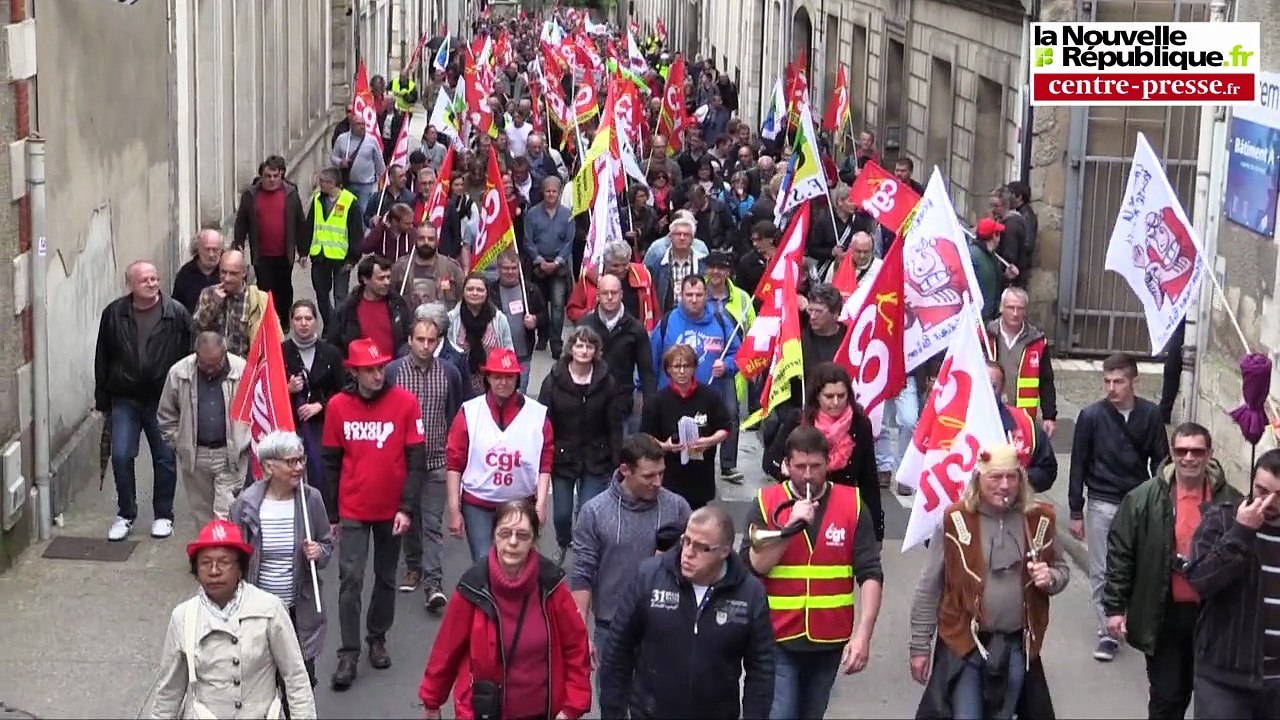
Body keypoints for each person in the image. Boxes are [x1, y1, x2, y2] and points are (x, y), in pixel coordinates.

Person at [909, 443, 1067, 719]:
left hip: (1018, 645)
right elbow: (928, 587)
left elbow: (1061, 569)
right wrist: (920, 646)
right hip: (964, 643)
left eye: (1011, 477)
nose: (1004, 485)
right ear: (978, 480)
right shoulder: (954, 520)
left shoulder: (1040, 519)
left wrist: (1050, 577)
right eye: (995, 477)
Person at [743, 425, 884, 719]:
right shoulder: (766, 502)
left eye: (816, 466)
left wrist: (864, 636)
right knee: (781, 713)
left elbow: (870, 572)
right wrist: (788, 529)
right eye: (800, 467)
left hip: (830, 638)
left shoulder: (853, 504)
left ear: (829, 462)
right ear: (786, 465)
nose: (807, 475)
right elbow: (754, 565)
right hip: (777, 635)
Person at [1103, 422, 1237, 719]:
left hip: (1212, 619)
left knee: (1212, 700)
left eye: (1196, 451)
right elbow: (1121, 554)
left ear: (1209, 454)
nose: (1189, 458)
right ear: (1172, 454)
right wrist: (1115, 607)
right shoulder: (1142, 499)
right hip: (1163, 613)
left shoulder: (1230, 501)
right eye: (1181, 450)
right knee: (1167, 698)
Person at [419, 501, 593, 720]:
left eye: (522, 535)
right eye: (505, 533)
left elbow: (576, 647)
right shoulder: (473, 586)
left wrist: (571, 707)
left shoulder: (551, 585)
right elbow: (446, 650)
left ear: (533, 540)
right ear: (494, 536)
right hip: (484, 713)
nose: (512, 542)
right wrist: (432, 702)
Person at [600, 505, 775, 719]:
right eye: (686, 541)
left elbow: (761, 669)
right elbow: (618, 647)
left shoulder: (750, 593)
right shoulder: (649, 577)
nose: (688, 553)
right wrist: (613, 711)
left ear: (724, 551)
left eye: (702, 548)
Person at [321, 338, 427, 690]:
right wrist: (332, 513)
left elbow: (416, 461)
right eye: (370, 369)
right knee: (350, 579)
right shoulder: (337, 406)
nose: (378, 374)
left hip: (391, 509)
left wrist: (407, 508)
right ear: (354, 372)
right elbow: (331, 462)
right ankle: (348, 651)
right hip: (353, 507)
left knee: (384, 576)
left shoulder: (405, 403)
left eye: (381, 367)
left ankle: (376, 636)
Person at [148, 519, 316, 719]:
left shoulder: (270, 609)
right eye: (205, 563)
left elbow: (295, 677)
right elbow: (169, 691)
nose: (214, 571)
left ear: (240, 569)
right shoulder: (183, 617)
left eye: (224, 562)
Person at [1068, 352, 1170, 662]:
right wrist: (1075, 509)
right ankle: (1108, 631)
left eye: (1119, 381)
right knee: (1101, 568)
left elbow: (1161, 460)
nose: (1112, 388)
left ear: (1133, 381)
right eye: (1107, 381)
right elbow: (1079, 463)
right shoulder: (1091, 416)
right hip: (1102, 499)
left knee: (1138, 566)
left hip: (1137, 502)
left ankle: (1131, 619)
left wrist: (1161, 499)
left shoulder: (1150, 416)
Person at [570, 433, 693, 684]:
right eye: (648, 476)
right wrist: (581, 631)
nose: (657, 482)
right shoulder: (594, 512)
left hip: (665, 626)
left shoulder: (677, 507)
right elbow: (583, 572)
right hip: (611, 627)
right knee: (614, 705)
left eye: (661, 473)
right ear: (625, 470)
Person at [230, 431, 333, 696]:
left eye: (301, 460)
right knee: (259, 683)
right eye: (291, 462)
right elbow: (234, 555)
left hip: (298, 609)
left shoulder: (311, 500)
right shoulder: (246, 505)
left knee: (300, 684)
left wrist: (318, 551)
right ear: (268, 466)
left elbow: (327, 545)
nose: (299, 467)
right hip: (258, 610)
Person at [95, 261, 192, 541]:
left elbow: (188, 355)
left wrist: (184, 396)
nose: (152, 284)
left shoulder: (176, 314)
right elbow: (103, 355)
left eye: (155, 278)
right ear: (130, 285)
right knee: (122, 455)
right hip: (125, 397)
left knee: (164, 458)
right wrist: (102, 399)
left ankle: (163, 514)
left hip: (163, 399)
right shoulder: (114, 314)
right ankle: (126, 513)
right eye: (145, 280)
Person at [1187, 448, 1280, 718]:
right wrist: (1241, 533)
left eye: (1278, 495)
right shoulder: (1222, 520)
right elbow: (1200, 580)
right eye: (1261, 490)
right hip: (1224, 679)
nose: (1268, 501)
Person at [385, 316, 464, 610]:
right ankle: (413, 565)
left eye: (432, 340)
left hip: (436, 460)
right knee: (410, 520)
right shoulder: (393, 372)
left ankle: (433, 582)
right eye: (420, 339)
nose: (426, 345)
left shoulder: (449, 373)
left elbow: (455, 413)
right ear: (409, 341)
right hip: (401, 463)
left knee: (432, 523)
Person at [445, 348, 554, 561]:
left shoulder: (537, 414)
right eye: (497, 376)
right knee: (484, 561)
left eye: (509, 376)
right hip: (478, 503)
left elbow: (545, 462)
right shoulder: (470, 411)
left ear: (517, 377)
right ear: (488, 377)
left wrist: (541, 503)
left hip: (521, 503)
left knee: (517, 560)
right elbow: (454, 463)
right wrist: (454, 509)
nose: (503, 382)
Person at [763, 362, 884, 543]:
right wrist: (785, 468)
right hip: (801, 506)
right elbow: (770, 461)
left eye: (841, 396)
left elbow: (869, 480)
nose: (835, 402)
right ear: (817, 396)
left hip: (843, 509)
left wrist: (876, 531)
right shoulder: (799, 420)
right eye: (829, 396)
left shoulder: (860, 424)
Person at [537, 326, 621, 566]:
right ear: (571, 348)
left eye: (589, 346)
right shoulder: (553, 379)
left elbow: (614, 424)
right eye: (579, 345)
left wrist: (617, 460)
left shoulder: (607, 381)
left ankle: (586, 555)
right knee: (562, 514)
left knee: (587, 511)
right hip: (563, 457)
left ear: (596, 351)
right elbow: (543, 421)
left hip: (597, 456)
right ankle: (564, 542)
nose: (584, 350)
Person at [157, 332, 251, 529]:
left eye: (215, 364)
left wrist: (244, 442)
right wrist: (179, 442)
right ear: (196, 355)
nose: (210, 369)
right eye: (205, 364)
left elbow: (255, 410)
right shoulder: (179, 373)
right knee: (203, 515)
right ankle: (208, 557)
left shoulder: (243, 371)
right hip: (195, 455)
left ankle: (226, 554)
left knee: (225, 514)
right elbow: (166, 414)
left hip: (230, 454)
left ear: (225, 353)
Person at [641, 344, 731, 511]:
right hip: (669, 476)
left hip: (700, 475)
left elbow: (725, 428)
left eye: (686, 366)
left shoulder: (710, 396)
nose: (681, 371)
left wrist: (709, 441)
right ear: (668, 370)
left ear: (694, 368)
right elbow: (645, 436)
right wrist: (664, 446)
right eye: (676, 366)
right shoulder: (657, 401)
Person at [282, 299, 346, 490]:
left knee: (322, 474)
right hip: (290, 424)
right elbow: (267, 391)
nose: (303, 323)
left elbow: (345, 389)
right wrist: (287, 389)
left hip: (322, 424)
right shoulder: (281, 352)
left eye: (308, 318)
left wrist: (322, 406)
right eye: (298, 319)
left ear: (316, 321)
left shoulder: (331, 353)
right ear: (291, 322)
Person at [448, 272, 515, 397]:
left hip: (492, 384)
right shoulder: (452, 319)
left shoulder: (499, 319)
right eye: (470, 289)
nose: (474, 293)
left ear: (486, 293)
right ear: (463, 292)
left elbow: (508, 351)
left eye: (479, 290)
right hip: (461, 384)